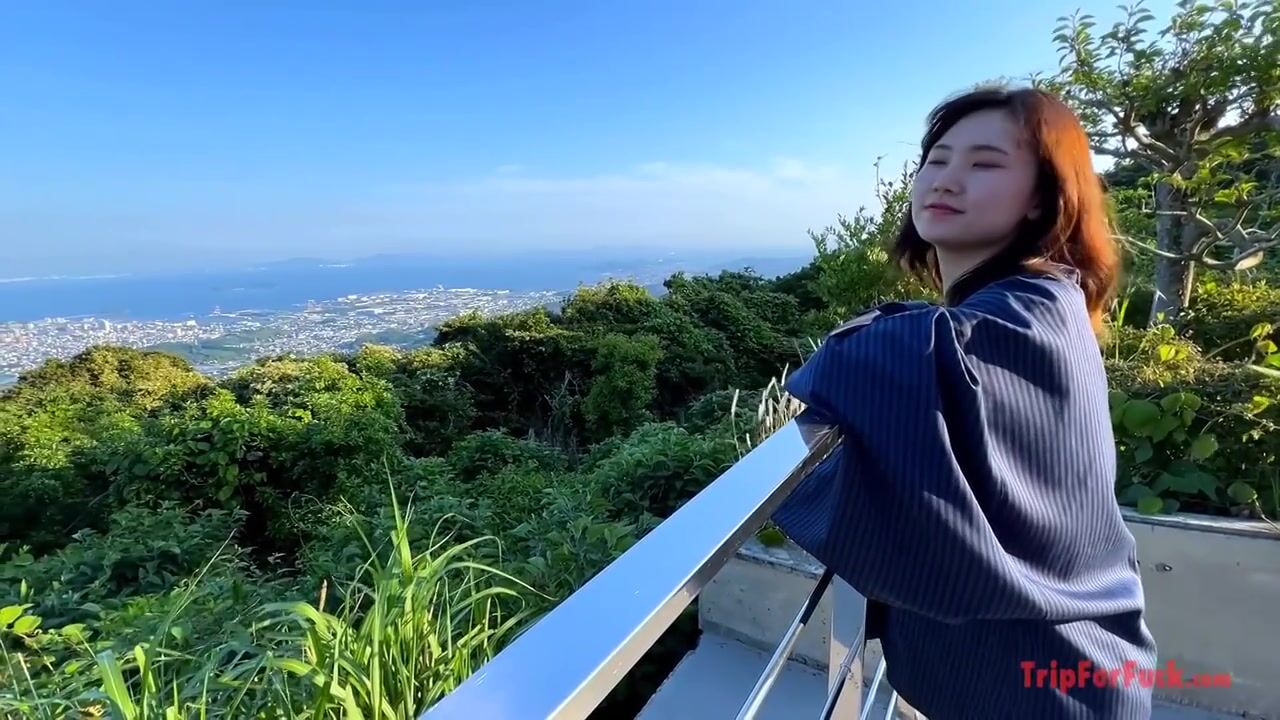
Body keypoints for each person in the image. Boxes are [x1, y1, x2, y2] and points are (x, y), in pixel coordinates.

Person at [771, 85, 1158, 719]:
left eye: (985, 164)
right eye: (937, 159)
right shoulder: (1033, 302)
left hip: (1046, 685)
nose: (946, 180)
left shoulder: (1033, 311)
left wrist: (869, 332)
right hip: (1032, 672)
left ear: (1042, 198)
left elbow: (862, 364)